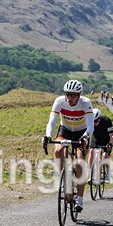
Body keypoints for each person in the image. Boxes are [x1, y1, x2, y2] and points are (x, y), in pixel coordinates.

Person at [42, 79, 94, 212]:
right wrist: (48, 135)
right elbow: (52, 122)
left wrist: (85, 137)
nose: (69, 98)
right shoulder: (59, 101)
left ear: (79, 95)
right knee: (58, 150)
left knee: (80, 161)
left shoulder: (86, 103)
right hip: (65, 129)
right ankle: (63, 180)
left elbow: (90, 125)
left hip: (81, 132)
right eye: (67, 94)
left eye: (73, 95)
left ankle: (80, 199)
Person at [87, 108, 113, 184]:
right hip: (96, 138)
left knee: (105, 155)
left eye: (95, 121)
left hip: (106, 139)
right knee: (92, 152)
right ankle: (90, 174)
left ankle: (108, 173)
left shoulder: (107, 121)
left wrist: (110, 143)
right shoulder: (90, 122)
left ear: (99, 118)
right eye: (92, 122)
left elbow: (112, 136)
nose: (94, 123)